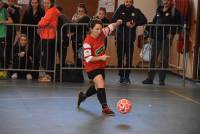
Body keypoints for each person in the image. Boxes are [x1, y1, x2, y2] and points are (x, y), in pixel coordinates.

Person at [77, 18, 123, 116]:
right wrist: (101, 57)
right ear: (91, 29)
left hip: (100, 65)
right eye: (96, 29)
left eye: (100, 28)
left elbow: (111, 26)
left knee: (97, 86)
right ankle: (105, 107)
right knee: (101, 83)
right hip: (91, 66)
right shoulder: (87, 42)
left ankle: (83, 96)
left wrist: (118, 23)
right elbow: (88, 58)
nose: (99, 31)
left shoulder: (102, 33)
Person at [142, 0, 183, 86]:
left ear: (171, 2)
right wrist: (150, 35)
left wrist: (172, 33)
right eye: (165, 0)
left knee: (164, 59)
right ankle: (150, 78)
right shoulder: (159, 9)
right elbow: (154, 23)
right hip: (156, 37)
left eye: (168, 0)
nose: (166, 2)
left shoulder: (175, 12)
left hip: (166, 39)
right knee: (153, 57)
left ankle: (161, 79)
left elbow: (180, 25)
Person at [112, 0, 147, 84]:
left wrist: (135, 23)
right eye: (126, 1)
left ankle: (127, 76)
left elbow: (144, 20)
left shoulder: (136, 11)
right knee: (120, 58)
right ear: (124, 2)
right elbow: (113, 19)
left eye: (129, 2)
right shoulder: (119, 10)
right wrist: (125, 23)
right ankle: (121, 76)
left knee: (129, 59)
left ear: (132, 3)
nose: (128, 3)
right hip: (120, 39)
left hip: (130, 39)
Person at [38, 0, 60, 82]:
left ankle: (49, 76)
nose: (45, 4)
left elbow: (42, 23)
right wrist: (43, 19)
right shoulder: (50, 10)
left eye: (48, 3)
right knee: (47, 57)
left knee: (46, 57)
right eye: (44, 3)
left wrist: (42, 19)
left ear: (51, 3)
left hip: (49, 36)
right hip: (46, 36)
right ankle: (49, 75)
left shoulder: (51, 11)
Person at [21, 0, 45, 79]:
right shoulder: (27, 11)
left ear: (38, 3)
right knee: (28, 54)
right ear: (30, 3)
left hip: (38, 37)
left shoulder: (42, 11)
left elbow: (43, 23)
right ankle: (26, 72)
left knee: (36, 55)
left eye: (35, 3)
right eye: (32, 3)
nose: (34, 4)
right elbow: (23, 23)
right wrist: (23, 35)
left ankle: (35, 74)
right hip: (28, 36)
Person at [0, 0, 13, 69]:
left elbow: (11, 21)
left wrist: (2, 21)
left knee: (1, 54)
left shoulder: (4, 10)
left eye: (1, 4)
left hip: (2, 35)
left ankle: (1, 70)